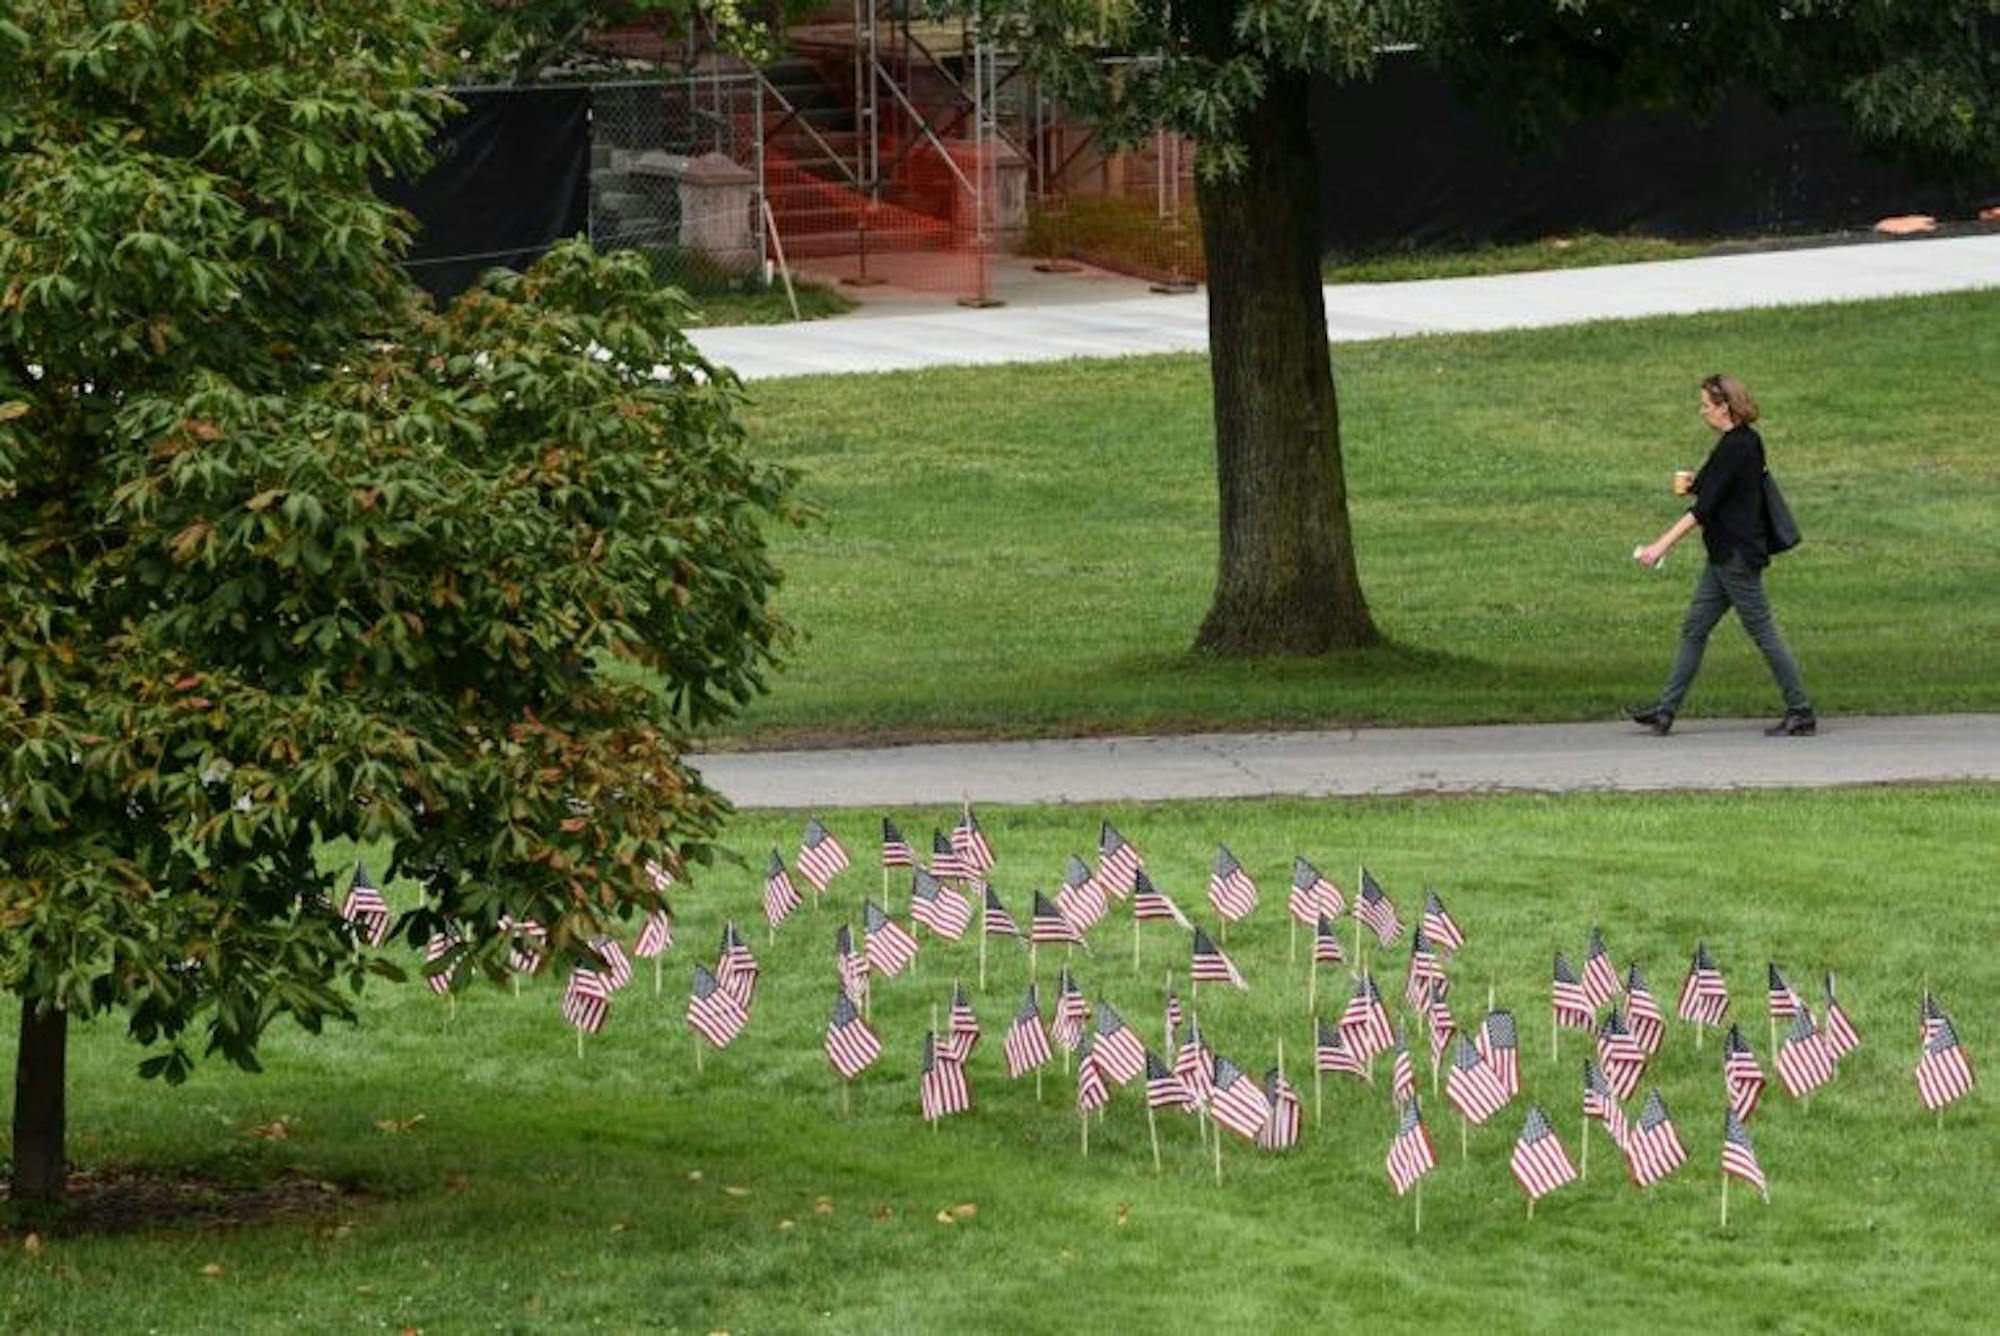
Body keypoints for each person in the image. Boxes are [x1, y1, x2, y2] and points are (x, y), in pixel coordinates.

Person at [1627, 373, 1815, 737]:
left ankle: (1801, 710)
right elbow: (1719, 487)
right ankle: (1665, 712)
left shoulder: (1737, 446)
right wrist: (1695, 484)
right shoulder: (1744, 442)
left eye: (1706, 406)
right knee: (1694, 629)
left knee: (1763, 631)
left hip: (1736, 557)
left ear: (1725, 407)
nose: (1702, 412)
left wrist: (1659, 546)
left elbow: (1704, 510)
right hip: (1724, 556)